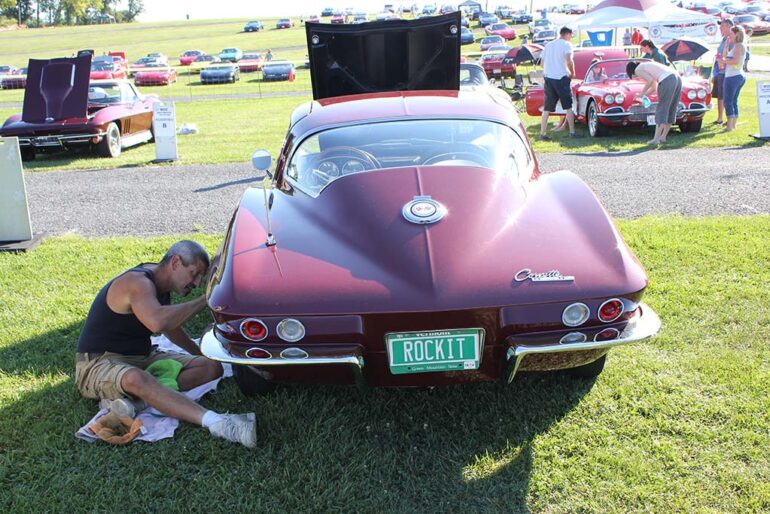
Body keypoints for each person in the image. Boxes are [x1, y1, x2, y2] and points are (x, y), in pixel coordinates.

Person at [75, 240, 257, 448]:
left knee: (211, 367)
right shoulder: (137, 283)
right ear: (175, 262)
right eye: (194, 273)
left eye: (200, 278)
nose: (197, 283)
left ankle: (138, 401)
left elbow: (170, 328)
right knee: (136, 378)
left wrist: (201, 355)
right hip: (98, 363)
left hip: (141, 357)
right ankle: (218, 423)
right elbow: (158, 321)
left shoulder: (161, 285)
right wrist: (205, 300)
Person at [539, 26, 582, 140]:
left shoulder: (548, 45)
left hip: (548, 78)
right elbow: (569, 61)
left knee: (547, 107)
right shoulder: (566, 45)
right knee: (568, 106)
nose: (571, 37)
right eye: (571, 35)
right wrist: (572, 73)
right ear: (567, 34)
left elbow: (542, 64)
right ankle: (572, 132)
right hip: (561, 78)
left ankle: (542, 133)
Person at [626, 60, 682, 145]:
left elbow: (650, 81)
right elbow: (654, 87)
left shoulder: (638, 69)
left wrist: (641, 93)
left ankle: (656, 139)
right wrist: (643, 96)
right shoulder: (647, 66)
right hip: (677, 78)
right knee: (671, 108)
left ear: (631, 71)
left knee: (661, 110)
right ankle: (663, 137)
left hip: (667, 80)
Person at [720, 25, 747, 132]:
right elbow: (726, 57)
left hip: (733, 76)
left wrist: (722, 61)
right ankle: (733, 125)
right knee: (733, 100)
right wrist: (726, 46)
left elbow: (734, 61)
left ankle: (730, 126)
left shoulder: (739, 46)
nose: (729, 35)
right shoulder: (736, 46)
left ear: (736, 34)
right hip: (735, 75)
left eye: (731, 34)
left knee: (728, 101)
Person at [712, 18, 734, 125]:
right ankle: (720, 118)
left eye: (723, 26)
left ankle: (727, 119)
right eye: (720, 26)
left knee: (726, 97)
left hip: (726, 72)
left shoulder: (732, 40)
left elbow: (733, 56)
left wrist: (723, 61)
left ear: (730, 27)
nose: (721, 28)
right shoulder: (724, 39)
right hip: (719, 72)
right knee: (720, 96)